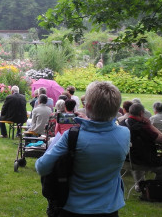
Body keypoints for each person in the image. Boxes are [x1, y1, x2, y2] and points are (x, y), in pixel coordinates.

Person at [36, 81, 130, 216]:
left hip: (73, 208)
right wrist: (90, 121)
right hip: (109, 208)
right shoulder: (124, 134)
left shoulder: (73, 136)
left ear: (88, 107)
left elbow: (41, 166)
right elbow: (102, 135)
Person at [125, 103, 162, 184]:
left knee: (137, 155)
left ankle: (140, 185)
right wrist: (150, 125)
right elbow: (161, 139)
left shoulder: (122, 123)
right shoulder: (143, 127)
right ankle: (156, 190)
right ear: (141, 113)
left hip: (126, 160)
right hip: (139, 161)